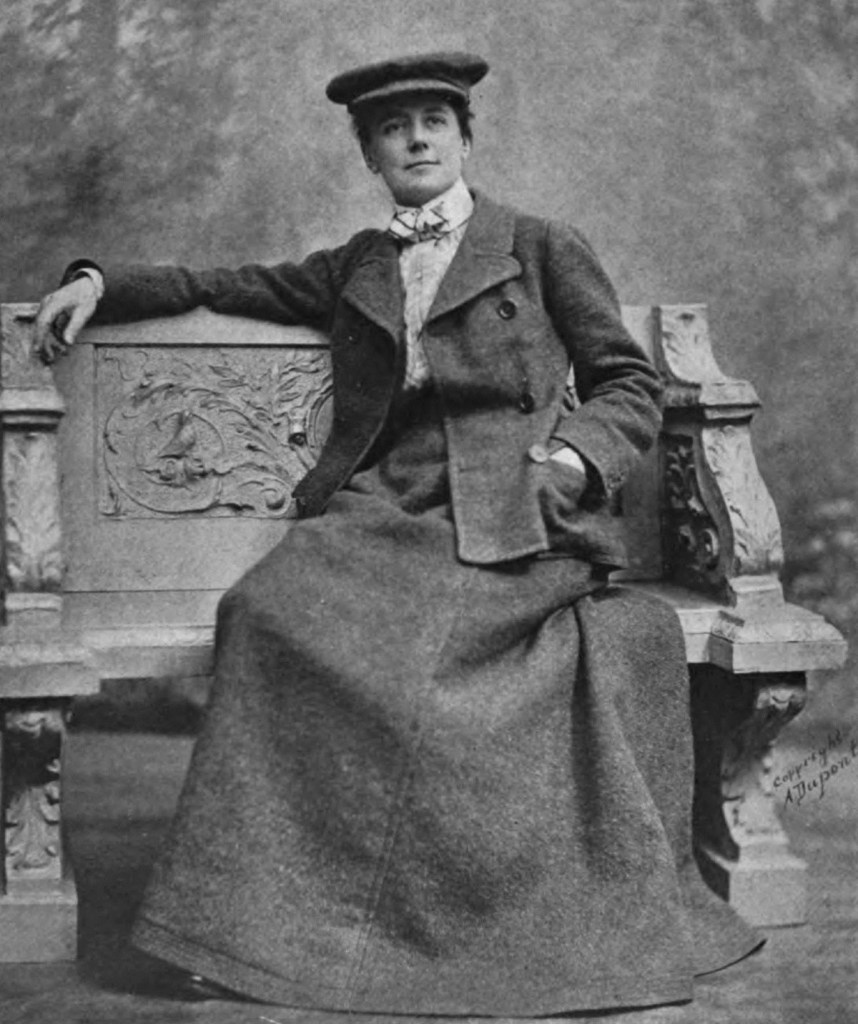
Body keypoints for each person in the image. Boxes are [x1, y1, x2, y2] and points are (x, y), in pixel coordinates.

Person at [35, 51, 759, 1016]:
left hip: (516, 501)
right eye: (391, 129)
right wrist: (97, 280)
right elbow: (222, 282)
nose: (416, 140)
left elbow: (628, 381)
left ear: (464, 139)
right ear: (370, 156)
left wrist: (574, 459)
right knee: (262, 611)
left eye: (433, 123)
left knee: (429, 658)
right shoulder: (360, 265)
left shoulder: (540, 245)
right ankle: (244, 928)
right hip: (387, 499)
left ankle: (431, 923)